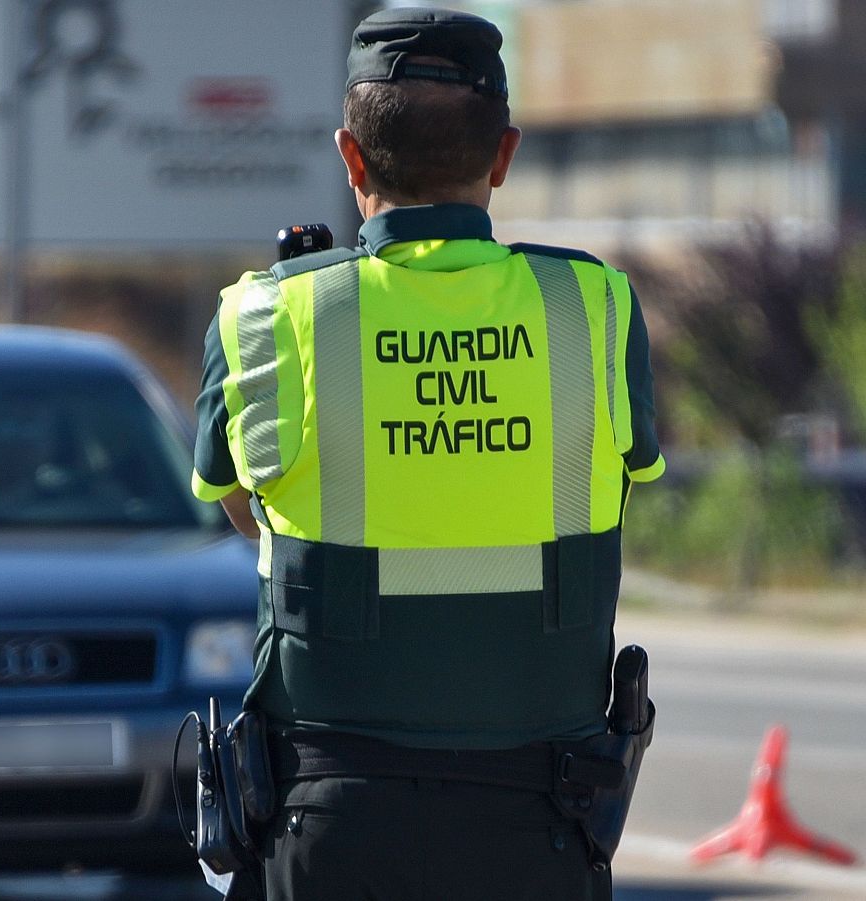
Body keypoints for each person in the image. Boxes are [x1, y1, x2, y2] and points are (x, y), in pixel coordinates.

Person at [189, 8, 664, 900]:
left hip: (328, 813)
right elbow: (623, 482)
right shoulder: (593, 306)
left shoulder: (265, 314)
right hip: (539, 817)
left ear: (351, 157)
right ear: (505, 155)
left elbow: (241, 503)